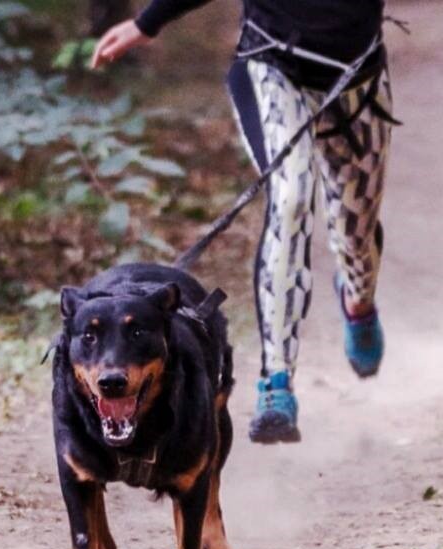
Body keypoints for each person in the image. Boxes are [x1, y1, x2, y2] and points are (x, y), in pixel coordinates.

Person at [91, 1, 394, 445]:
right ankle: (276, 385)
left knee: (356, 228)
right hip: (272, 66)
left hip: (358, 77)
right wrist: (147, 23)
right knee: (291, 197)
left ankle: (358, 301)